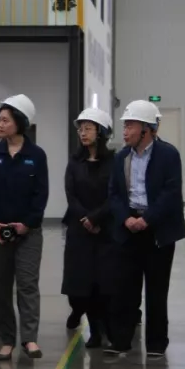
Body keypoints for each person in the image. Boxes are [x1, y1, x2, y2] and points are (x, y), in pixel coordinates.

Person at [107, 100, 185, 357]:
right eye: (125, 126)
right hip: (128, 229)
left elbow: (170, 193)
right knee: (125, 288)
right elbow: (114, 194)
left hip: (158, 231)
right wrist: (126, 218)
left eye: (130, 125)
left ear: (147, 129)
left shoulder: (168, 155)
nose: (125, 131)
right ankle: (121, 340)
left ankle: (156, 343)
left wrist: (147, 219)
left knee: (156, 290)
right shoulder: (121, 157)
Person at [0, 95, 49, 361]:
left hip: (28, 233)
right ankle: (7, 339)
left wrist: (27, 224)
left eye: (5, 120)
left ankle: (29, 339)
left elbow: (41, 194)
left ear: (19, 123)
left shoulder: (36, 156)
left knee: (28, 285)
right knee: (1, 287)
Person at [62, 108, 116, 349]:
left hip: (104, 229)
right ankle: (78, 311)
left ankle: (98, 330)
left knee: (100, 284)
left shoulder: (113, 162)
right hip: (79, 229)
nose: (82, 133)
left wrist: (95, 218)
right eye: (80, 129)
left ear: (101, 132)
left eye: (88, 128)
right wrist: (84, 218)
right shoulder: (75, 162)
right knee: (78, 284)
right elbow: (70, 193)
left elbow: (114, 194)